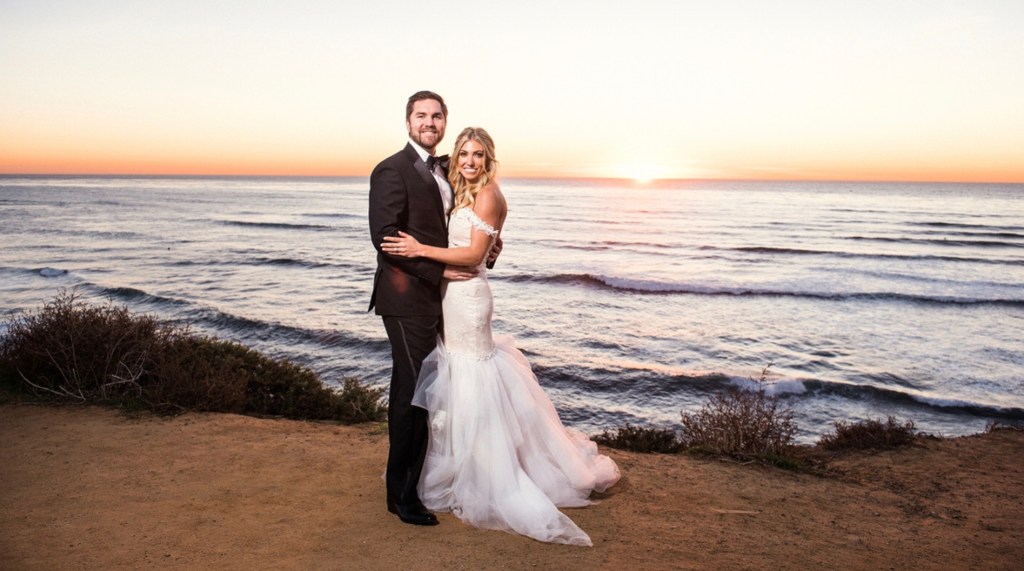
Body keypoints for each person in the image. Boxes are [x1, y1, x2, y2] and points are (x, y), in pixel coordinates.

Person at [381, 127, 621, 546]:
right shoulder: (463, 190)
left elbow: (474, 256)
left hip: (468, 299)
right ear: (455, 158)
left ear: (489, 158)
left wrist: (420, 250)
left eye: (477, 155)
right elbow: (483, 244)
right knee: (454, 381)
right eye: (464, 155)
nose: (469, 162)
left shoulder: (489, 194)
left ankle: (490, 476)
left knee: (472, 378)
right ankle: (459, 466)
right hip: (447, 298)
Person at [368, 91, 475, 527]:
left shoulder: (448, 167)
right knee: (417, 393)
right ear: (407, 121)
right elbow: (387, 239)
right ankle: (404, 496)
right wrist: (441, 273)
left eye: (436, 116)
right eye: (420, 116)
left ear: (445, 121)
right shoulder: (391, 169)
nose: (428, 122)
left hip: (439, 299)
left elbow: (464, 219)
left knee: (412, 389)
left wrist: (484, 247)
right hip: (407, 297)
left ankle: (406, 486)